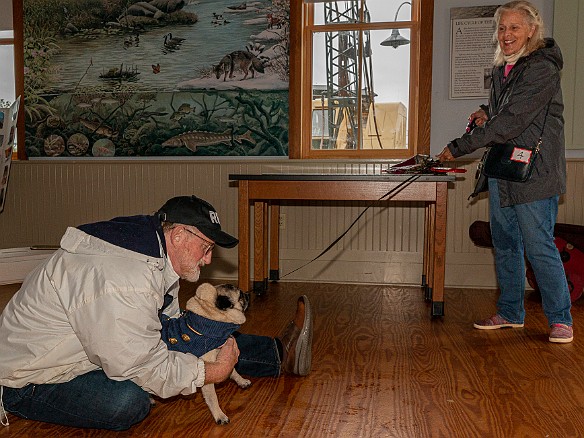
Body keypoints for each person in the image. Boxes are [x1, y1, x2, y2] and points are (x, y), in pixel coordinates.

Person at [0, 195, 313, 430]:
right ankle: (276, 355)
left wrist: (211, 341)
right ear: (178, 235)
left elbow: (173, 331)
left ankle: (278, 353)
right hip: (30, 379)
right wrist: (209, 373)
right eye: (206, 248)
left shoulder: (152, 256)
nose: (208, 259)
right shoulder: (121, 281)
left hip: (91, 354)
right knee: (127, 402)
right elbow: (137, 361)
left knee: (206, 333)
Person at [437, 1, 573, 343]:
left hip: (535, 174)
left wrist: (460, 145)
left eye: (514, 27)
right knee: (506, 243)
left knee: (538, 245)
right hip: (504, 168)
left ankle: (561, 319)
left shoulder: (541, 67)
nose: (506, 35)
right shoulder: (504, 69)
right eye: (501, 28)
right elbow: (504, 111)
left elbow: (513, 121)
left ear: (531, 30)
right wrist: (487, 110)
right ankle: (511, 312)